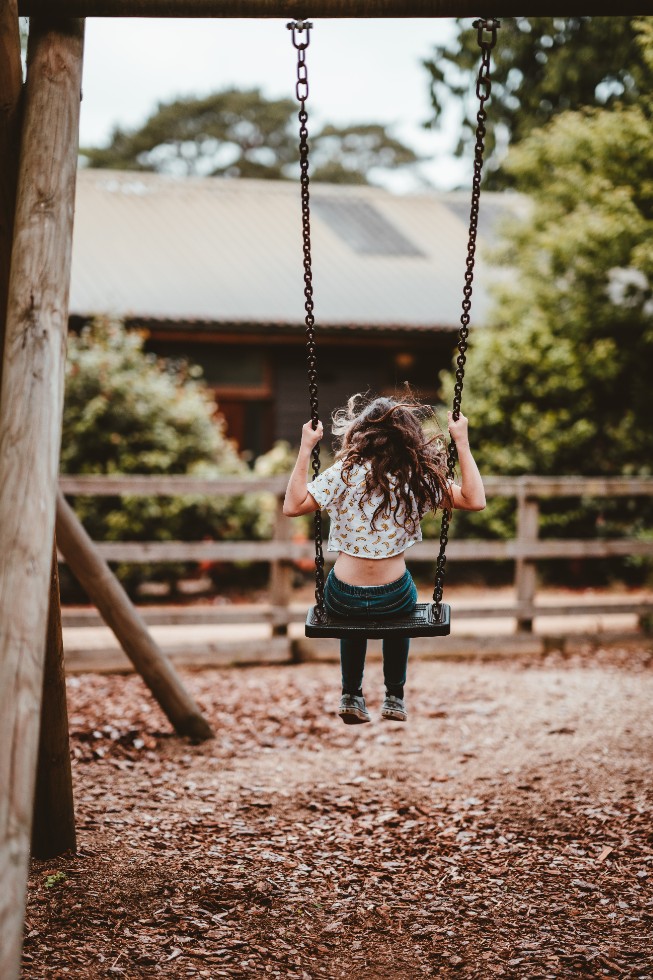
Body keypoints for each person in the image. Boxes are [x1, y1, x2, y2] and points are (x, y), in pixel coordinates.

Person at [283, 393, 486, 725]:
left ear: (361, 434)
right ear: (409, 437)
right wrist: (461, 441)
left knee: (350, 621)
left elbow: (292, 506)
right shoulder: (415, 477)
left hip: (342, 595)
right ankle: (394, 695)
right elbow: (475, 500)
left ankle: (351, 693)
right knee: (402, 613)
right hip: (394, 597)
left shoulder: (344, 473)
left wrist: (306, 447)